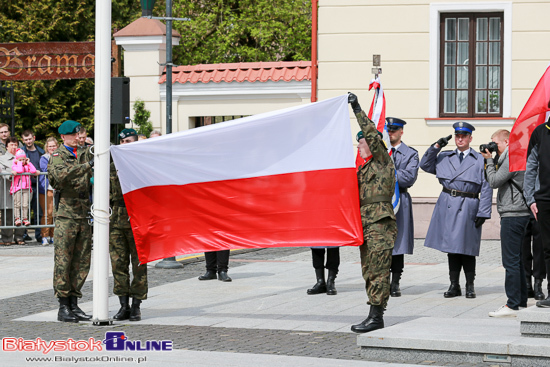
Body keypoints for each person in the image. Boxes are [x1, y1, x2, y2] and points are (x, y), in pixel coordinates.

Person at [420, 122, 492, 299]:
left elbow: (487, 185)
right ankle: (454, 285)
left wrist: (483, 212)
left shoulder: (479, 159)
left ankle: (470, 285)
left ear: (470, 138)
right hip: (448, 203)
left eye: (464, 136)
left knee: (467, 247)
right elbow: (424, 165)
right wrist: (436, 146)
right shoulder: (444, 156)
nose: (460, 139)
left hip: (468, 204)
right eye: (457, 136)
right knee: (451, 248)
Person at [348, 93, 397, 334]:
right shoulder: (363, 169)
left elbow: (370, 133)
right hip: (365, 225)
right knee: (368, 271)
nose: (359, 146)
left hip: (380, 225)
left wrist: (356, 108)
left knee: (378, 270)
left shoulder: (382, 162)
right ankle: (373, 312)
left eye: (362, 142)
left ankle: (377, 316)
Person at [48, 120, 94, 323]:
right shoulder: (58, 156)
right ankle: (63, 306)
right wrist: (86, 167)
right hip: (66, 216)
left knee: (82, 261)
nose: (79, 138)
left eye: (80, 134)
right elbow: (59, 178)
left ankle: (75, 303)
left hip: (84, 214)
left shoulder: (85, 153)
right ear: (63, 137)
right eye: (74, 135)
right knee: (63, 261)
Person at [482, 129, 530, 317]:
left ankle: (512, 304)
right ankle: (521, 300)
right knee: (516, 259)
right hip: (518, 213)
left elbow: (493, 181)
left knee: (510, 260)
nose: (493, 146)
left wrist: (488, 160)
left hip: (513, 213)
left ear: (507, 142)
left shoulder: (511, 158)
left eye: (496, 143)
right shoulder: (510, 157)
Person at [110, 129, 148, 322]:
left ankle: (136, 306)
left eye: (128, 141)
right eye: (122, 141)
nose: (124, 144)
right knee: (118, 264)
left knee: (139, 265)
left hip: (137, 219)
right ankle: (123, 305)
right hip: (116, 219)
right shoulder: (111, 165)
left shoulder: (142, 164)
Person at [386, 117, 419, 297]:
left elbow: (409, 178)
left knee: (398, 243)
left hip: (401, 199)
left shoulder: (410, 154)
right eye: (388, 130)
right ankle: (382, 279)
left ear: (401, 132)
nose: (390, 133)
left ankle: (395, 282)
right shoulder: (380, 150)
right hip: (382, 200)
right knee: (382, 242)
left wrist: (388, 173)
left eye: (394, 130)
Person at [524, 117, 550, 308]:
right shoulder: (540, 133)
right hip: (544, 200)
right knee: (548, 249)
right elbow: (531, 167)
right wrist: (531, 198)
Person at [0, 137, 26, 245]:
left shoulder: (22, 157)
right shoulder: (2, 158)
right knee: (8, 214)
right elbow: (3, 171)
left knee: (21, 212)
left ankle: (19, 237)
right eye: (12, 145)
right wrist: (12, 174)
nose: (14, 147)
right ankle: (7, 238)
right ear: (6, 147)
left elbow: (28, 168)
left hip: (21, 188)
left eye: (16, 145)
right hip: (7, 189)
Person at [22, 130, 45, 243]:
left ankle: (39, 234)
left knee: (38, 212)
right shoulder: (21, 152)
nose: (28, 141)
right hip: (25, 185)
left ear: (34, 138)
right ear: (23, 140)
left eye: (30, 139)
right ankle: (23, 234)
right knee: (24, 211)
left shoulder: (41, 152)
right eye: (26, 140)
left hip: (38, 184)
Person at [39, 137, 58, 245]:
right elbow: (46, 169)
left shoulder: (60, 156)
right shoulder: (44, 158)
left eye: (54, 146)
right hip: (47, 188)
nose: (52, 148)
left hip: (57, 188)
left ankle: (53, 235)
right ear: (47, 147)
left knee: (55, 213)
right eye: (50, 146)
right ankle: (44, 236)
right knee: (48, 213)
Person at [11, 149, 37, 227]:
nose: (22, 161)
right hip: (18, 188)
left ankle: (25, 218)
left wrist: (29, 163)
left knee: (25, 204)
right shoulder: (14, 165)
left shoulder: (27, 165)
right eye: (20, 159)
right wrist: (18, 163)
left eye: (23, 159)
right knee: (17, 204)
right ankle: (17, 218)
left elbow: (33, 170)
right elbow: (20, 170)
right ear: (17, 159)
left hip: (26, 188)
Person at [522, 217, 546, 300]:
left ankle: (538, 284)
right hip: (520, 208)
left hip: (539, 208)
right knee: (523, 247)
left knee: (540, 247)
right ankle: (526, 284)